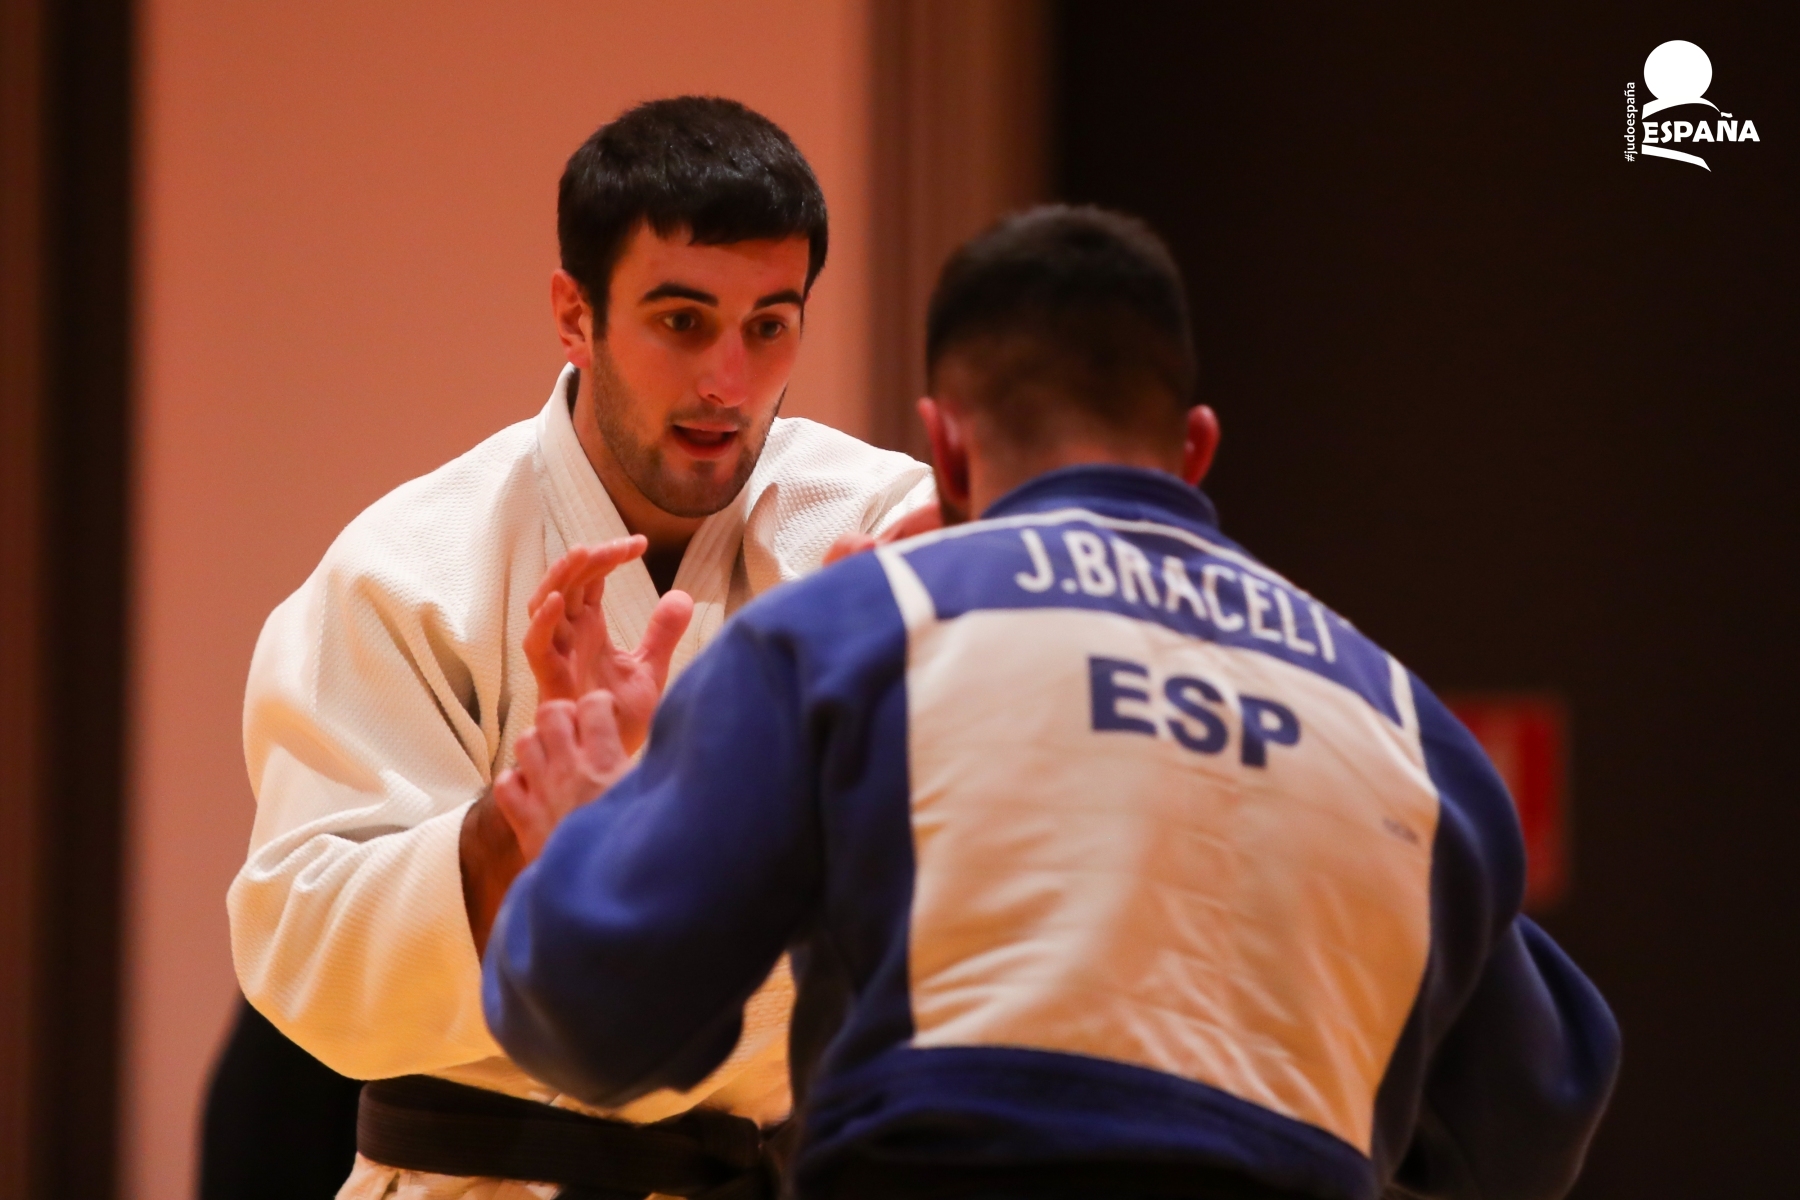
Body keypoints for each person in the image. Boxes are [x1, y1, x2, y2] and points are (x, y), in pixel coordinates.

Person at [481, 206, 1621, 1200]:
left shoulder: (851, 636)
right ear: (1196, 449)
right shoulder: (1404, 729)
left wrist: (591, 829)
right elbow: (1532, 1128)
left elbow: (597, 1018)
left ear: (946, 450)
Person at [224, 96, 935, 1199]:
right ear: (575, 313)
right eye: (682, 321)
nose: (727, 383)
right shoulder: (409, 566)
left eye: (769, 325)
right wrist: (520, 832)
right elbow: (304, 948)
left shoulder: (881, 532)